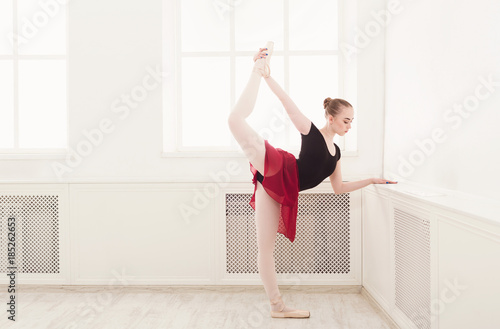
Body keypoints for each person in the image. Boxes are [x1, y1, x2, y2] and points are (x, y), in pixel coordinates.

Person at [227, 41, 397, 319]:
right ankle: (256, 68)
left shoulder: (336, 154)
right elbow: (287, 103)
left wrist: (369, 181)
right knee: (234, 119)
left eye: (352, 121)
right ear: (330, 118)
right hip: (277, 169)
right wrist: (267, 75)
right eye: (345, 120)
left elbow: (339, 189)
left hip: (278, 191)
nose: (349, 125)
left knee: (265, 249)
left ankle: (277, 307)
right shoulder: (312, 133)